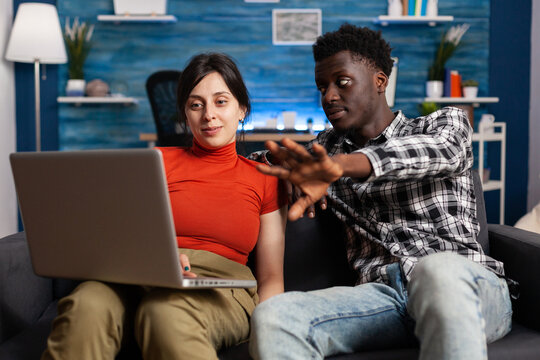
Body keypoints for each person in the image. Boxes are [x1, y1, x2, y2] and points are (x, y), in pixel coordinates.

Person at [249, 24, 514, 360]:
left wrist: (343, 166)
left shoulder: (443, 124)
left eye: (342, 82)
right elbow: (259, 162)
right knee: (274, 316)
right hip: (382, 297)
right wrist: (279, 164)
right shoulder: (325, 150)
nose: (328, 96)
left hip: (465, 287)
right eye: (322, 87)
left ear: (380, 81)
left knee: (437, 270)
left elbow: (435, 151)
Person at [42, 53, 287, 360]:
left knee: (166, 312)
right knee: (87, 304)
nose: (208, 114)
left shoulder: (265, 178)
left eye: (221, 102)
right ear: (185, 115)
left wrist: (271, 332)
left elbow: (271, 276)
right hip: (136, 276)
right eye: (196, 105)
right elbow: (114, 233)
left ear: (242, 109)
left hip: (219, 288)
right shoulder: (152, 162)